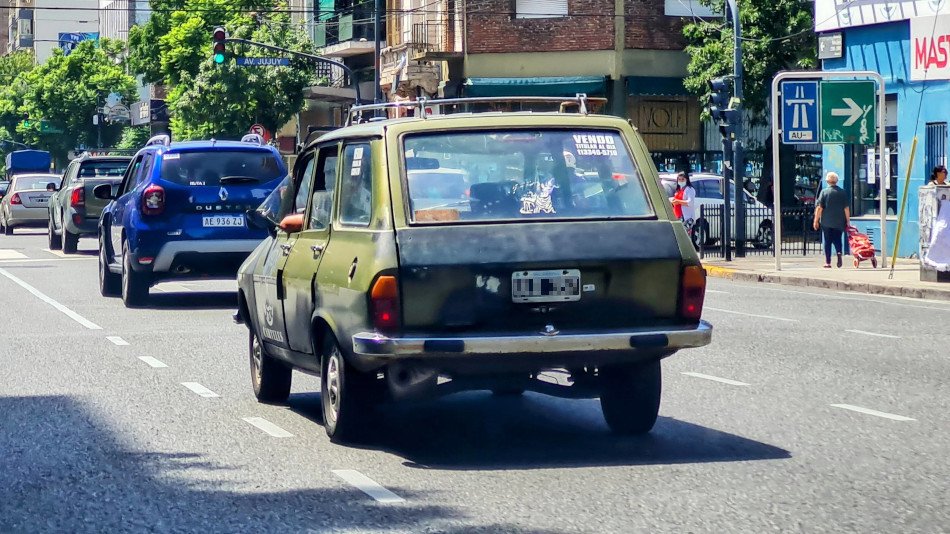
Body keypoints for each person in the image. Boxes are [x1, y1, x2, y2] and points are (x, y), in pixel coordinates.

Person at [813, 171, 850, 268]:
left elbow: (819, 208)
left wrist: (816, 220)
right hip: (840, 221)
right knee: (838, 239)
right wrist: (848, 221)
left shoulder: (824, 192)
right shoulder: (842, 192)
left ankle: (828, 262)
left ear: (827, 181)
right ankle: (838, 252)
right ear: (836, 181)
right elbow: (846, 208)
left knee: (827, 241)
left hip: (826, 221)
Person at [670, 171, 697, 236]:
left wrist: (678, 201)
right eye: (679, 179)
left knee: (684, 236)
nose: (681, 181)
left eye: (683, 179)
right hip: (678, 217)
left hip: (686, 218)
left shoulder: (690, 189)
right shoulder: (679, 190)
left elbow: (690, 203)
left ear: (686, 180)